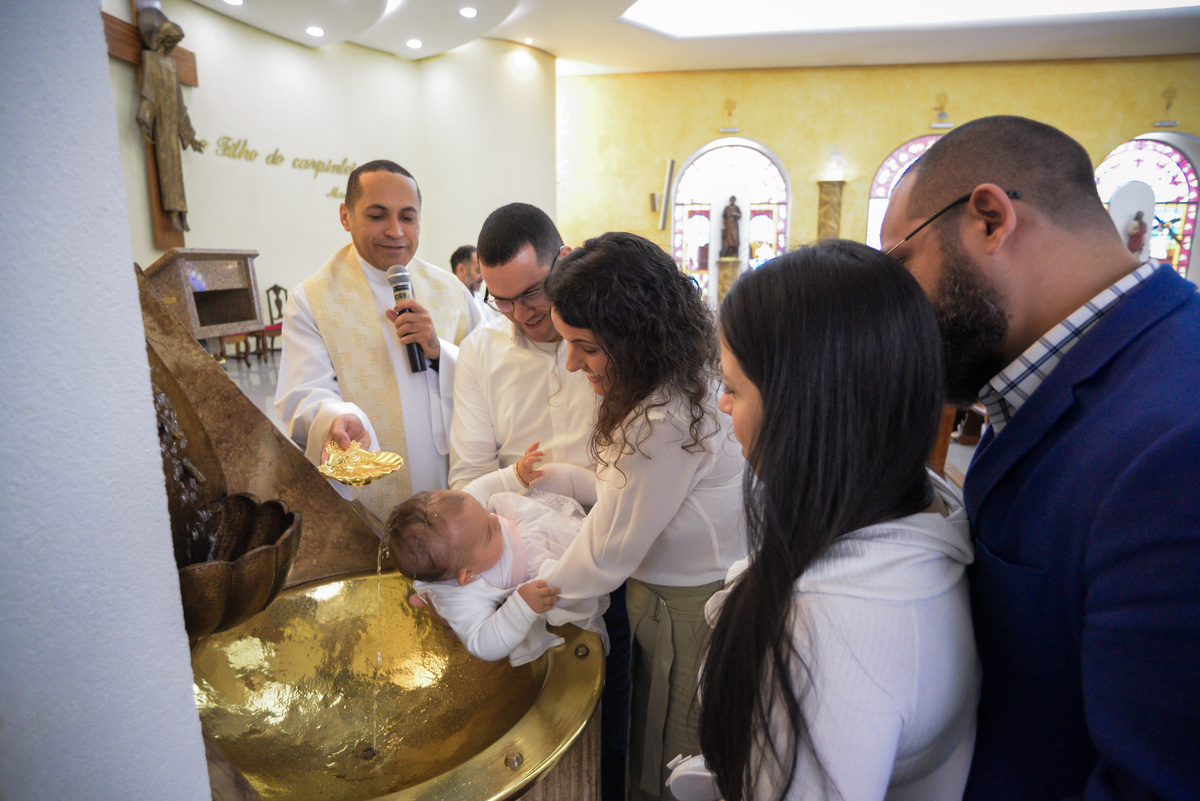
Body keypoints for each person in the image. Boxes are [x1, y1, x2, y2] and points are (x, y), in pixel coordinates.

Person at [880, 115, 1200, 800]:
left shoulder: (1177, 443)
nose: (896, 312)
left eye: (901, 265)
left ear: (991, 219)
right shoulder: (1034, 373)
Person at [685, 241, 978, 801]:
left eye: (732, 388)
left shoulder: (832, 627)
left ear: (803, 407)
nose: (723, 406)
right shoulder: (915, 500)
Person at [540, 231, 747, 801]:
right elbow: (633, 499)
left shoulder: (663, 417)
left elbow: (608, 551)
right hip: (677, 594)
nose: (571, 361)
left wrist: (520, 602)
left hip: (686, 616)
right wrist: (560, 479)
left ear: (634, 335)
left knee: (668, 763)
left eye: (585, 346)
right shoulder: (680, 374)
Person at [448, 202, 623, 801]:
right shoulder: (480, 351)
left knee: (613, 709)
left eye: (535, 294)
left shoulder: (612, 333)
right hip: (517, 561)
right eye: (504, 301)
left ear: (564, 261)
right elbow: (470, 470)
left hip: (617, 543)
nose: (524, 315)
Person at [275, 160, 484, 524]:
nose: (395, 231)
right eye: (377, 216)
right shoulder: (312, 299)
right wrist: (337, 418)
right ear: (345, 216)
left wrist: (438, 353)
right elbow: (305, 391)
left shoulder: (450, 289)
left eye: (408, 217)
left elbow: (490, 367)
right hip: (373, 494)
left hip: (454, 477)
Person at [386, 459, 608, 666]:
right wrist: (521, 607)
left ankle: (609, 495)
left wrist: (514, 476)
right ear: (468, 575)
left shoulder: (459, 519)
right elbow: (483, 644)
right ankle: (611, 525)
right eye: (488, 533)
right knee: (589, 565)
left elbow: (478, 489)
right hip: (547, 565)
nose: (495, 519)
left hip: (533, 518)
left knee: (554, 474)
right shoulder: (461, 598)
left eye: (483, 512)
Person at [135, 7, 204, 232]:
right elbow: (148, 92)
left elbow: (179, 100)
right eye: (172, 41)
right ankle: (173, 210)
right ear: (164, 38)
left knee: (176, 169)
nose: (174, 46)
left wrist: (190, 136)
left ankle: (182, 210)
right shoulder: (150, 57)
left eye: (177, 42)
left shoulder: (172, 64)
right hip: (160, 119)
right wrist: (145, 118)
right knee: (167, 166)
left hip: (173, 116)